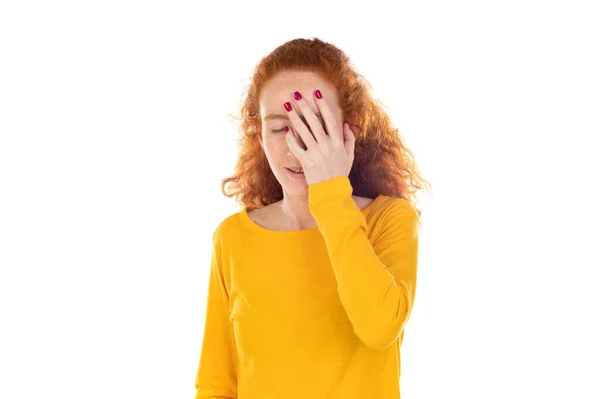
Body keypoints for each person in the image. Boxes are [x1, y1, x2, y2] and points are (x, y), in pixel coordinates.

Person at [192, 37, 431, 399]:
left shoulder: (390, 220)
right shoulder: (232, 238)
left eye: (314, 125)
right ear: (259, 136)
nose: (296, 146)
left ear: (348, 130)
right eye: (279, 127)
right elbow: (216, 384)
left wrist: (331, 192)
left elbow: (379, 327)